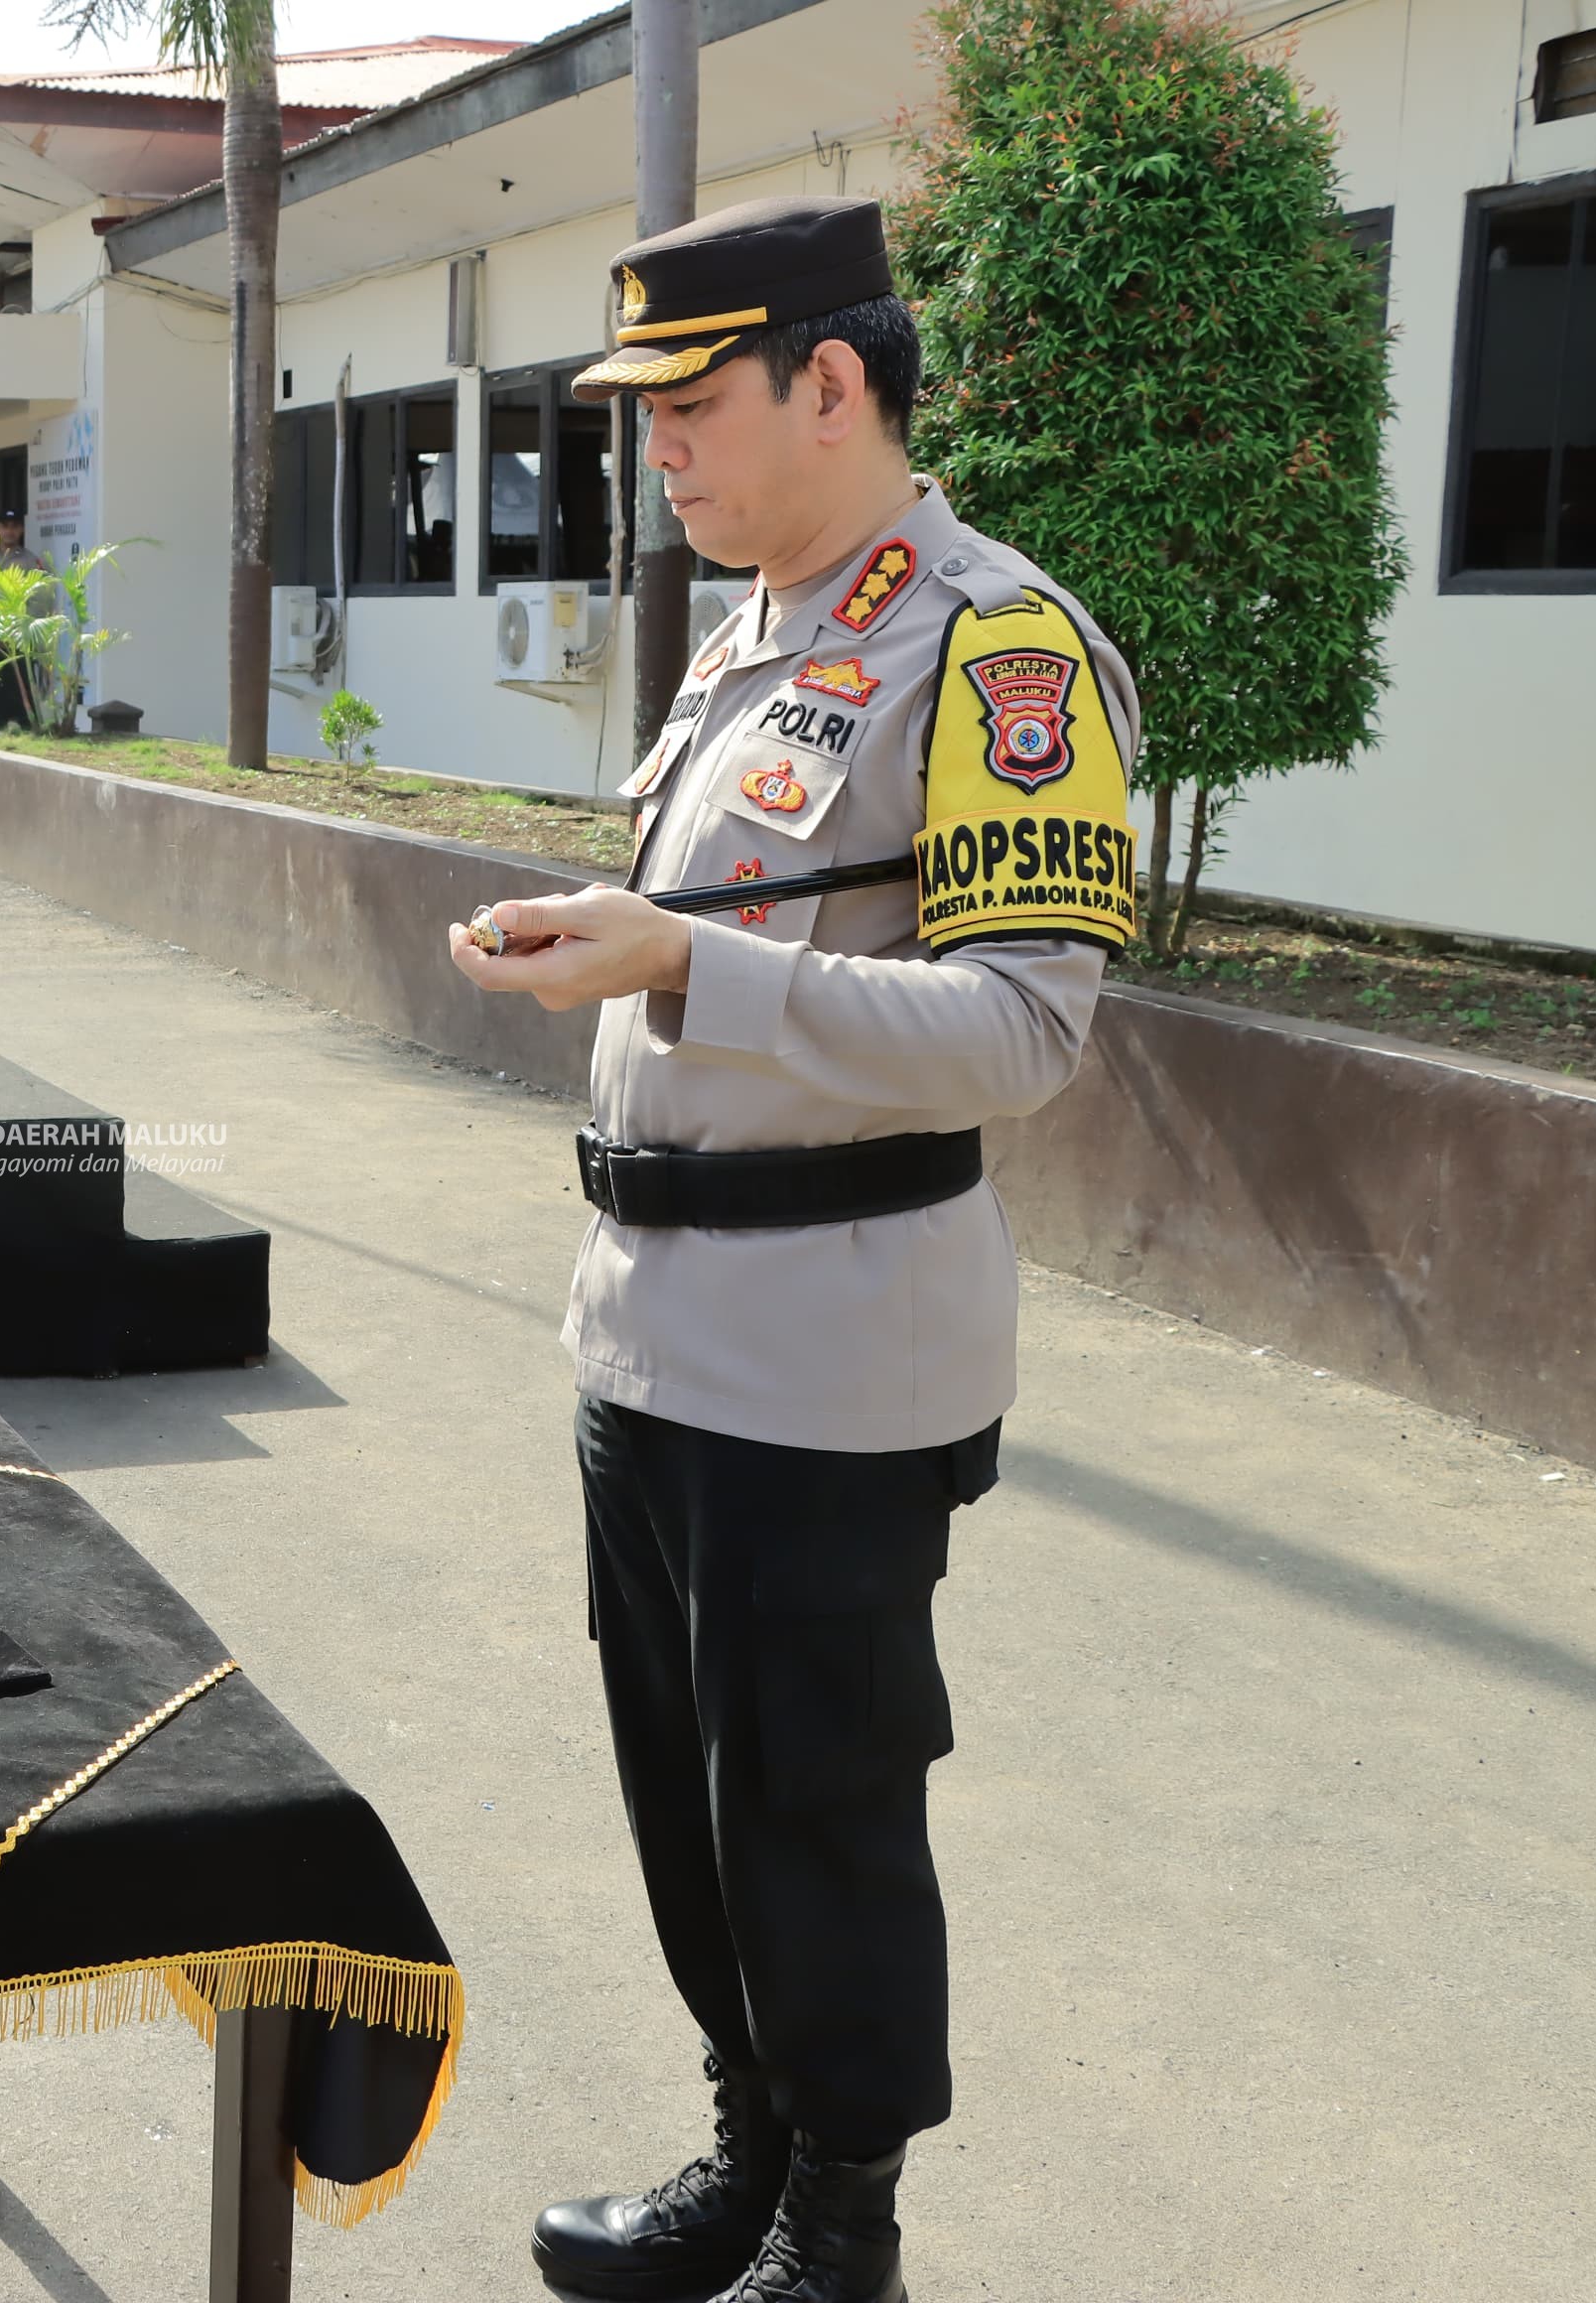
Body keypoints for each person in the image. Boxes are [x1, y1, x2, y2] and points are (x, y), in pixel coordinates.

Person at [446, 198, 1140, 2303]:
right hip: (651, 1331)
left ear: (832, 383)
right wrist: (615, 942)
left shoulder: (1001, 646)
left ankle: (846, 2237)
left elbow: (1026, 1033)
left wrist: (687, 967)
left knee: (821, 1810)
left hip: (829, 1360)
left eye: (689, 401)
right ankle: (750, 2159)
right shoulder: (751, 631)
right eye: (644, 411)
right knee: (695, 1797)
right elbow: (726, 934)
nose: (654, 448)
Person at [0, 509, 51, 734]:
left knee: (20, 684)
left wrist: (20, 629)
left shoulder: (31, 560)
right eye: (5, 526)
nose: (9, 531)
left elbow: (39, 598)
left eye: (14, 526)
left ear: (20, 530)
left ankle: (25, 728)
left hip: (19, 636)